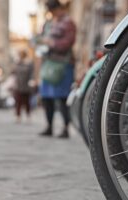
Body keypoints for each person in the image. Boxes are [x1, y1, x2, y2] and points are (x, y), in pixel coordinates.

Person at [35, 0, 76, 138]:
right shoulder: (48, 23)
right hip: (48, 63)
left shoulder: (68, 23)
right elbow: (39, 39)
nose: (52, 14)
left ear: (59, 8)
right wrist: (39, 42)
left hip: (63, 65)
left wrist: (51, 43)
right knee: (47, 97)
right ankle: (49, 126)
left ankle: (65, 128)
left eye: (53, 10)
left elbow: (67, 42)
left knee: (62, 97)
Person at [13, 50, 33, 123]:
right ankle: (18, 116)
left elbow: (31, 73)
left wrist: (31, 81)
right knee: (18, 102)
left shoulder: (29, 63)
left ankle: (28, 116)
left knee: (27, 102)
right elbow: (14, 72)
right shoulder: (17, 63)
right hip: (18, 85)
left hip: (26, 85)